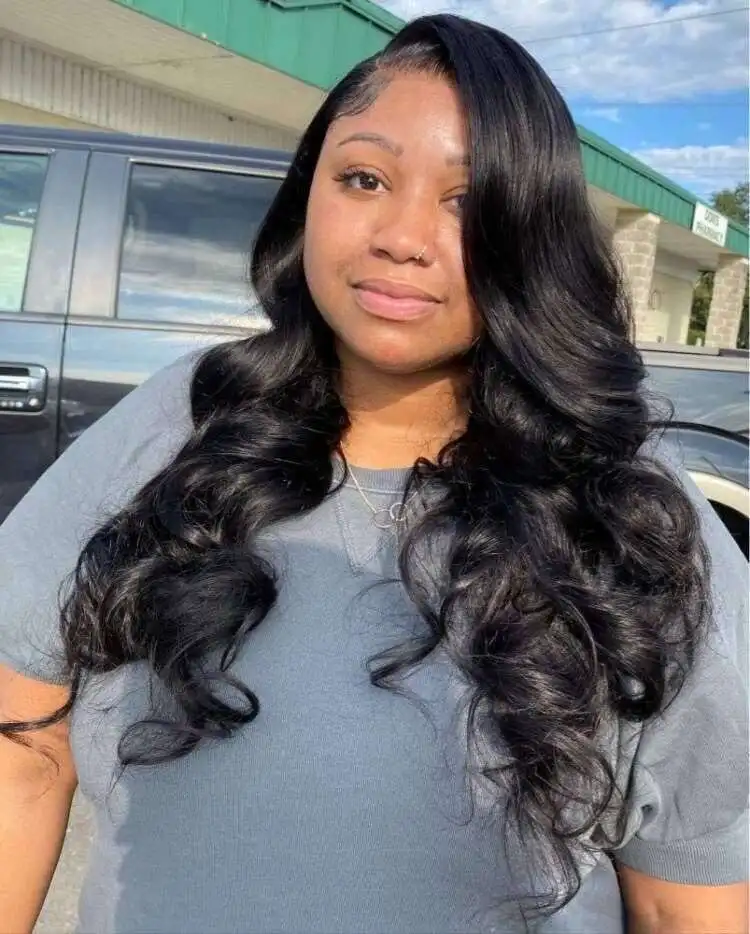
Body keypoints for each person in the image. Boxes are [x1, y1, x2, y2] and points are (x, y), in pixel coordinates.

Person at [0, 13, 747, 934]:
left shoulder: (631, 510)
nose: (403, 236)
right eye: (364, 178)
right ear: (306, 195)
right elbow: (22, 747)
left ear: (532, 236)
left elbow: (684, 902)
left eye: (468, 201)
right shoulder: (180, 424)